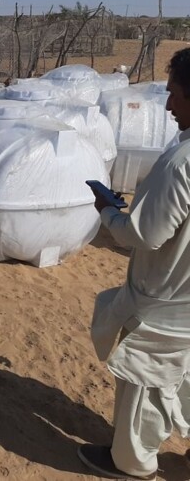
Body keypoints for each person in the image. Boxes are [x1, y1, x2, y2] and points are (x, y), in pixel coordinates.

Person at [79, 47, 190, 480]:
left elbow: (144, 234)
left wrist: (108, 212)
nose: (167, 105)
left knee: (144, 384)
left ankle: (130, 463)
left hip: (167, 302)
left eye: (175, 94)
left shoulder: (182, 163)